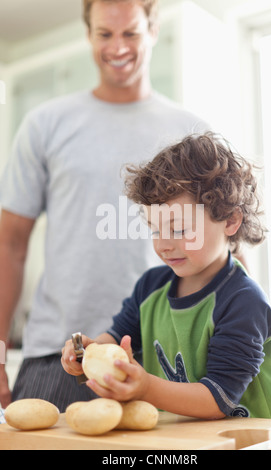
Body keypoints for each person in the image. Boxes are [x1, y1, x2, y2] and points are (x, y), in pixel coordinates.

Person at [0, 0, 210, 411]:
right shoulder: (45, 124)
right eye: (105, 34)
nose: (118, 47)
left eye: (130, 32)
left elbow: (226, 252)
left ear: (152, 30)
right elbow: (9, 245)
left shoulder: (193, 133)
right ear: (88, 34)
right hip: (61, 356)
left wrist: (257, 363)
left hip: (170, 359)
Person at [62, 132, 271, 419]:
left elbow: (218, 400)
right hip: (180, 444)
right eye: (155, 229)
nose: (163, 244)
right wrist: (87, 353)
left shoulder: (243, 303)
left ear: (230, 220)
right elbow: (115, 339)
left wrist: (145, 387)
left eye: (179, 229)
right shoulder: (151, 287)